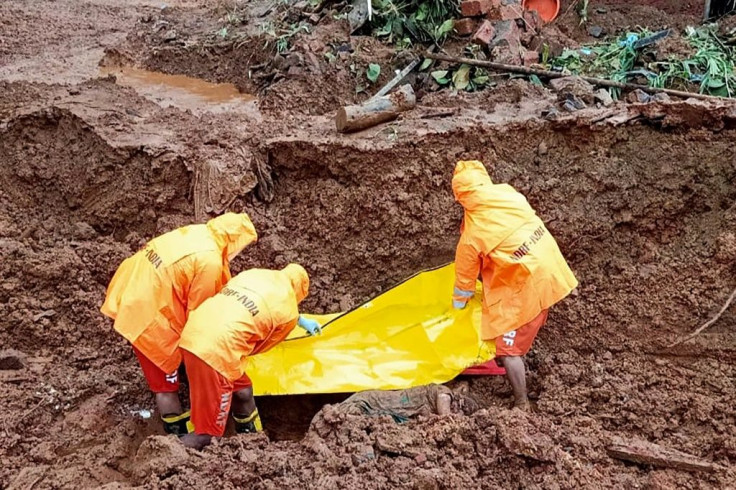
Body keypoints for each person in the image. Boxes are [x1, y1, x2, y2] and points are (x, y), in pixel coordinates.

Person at [101, 212, 258, 434]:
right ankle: (177, 443)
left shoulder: (197, 233)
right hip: (150, 318)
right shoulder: (210, 261)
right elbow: (201, 317)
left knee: (169, 373)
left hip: (131, 290)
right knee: (166, 386)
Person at [451, 160, 578, 410]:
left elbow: (463, 286)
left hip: (528, 284)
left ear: (460, 197)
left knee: (508, 351)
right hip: (552, 271)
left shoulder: (472, 236)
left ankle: (522, 403)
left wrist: (456, 312)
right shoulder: (508, 194)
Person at [178, 264, 321, 449]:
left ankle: (254, 443)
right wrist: (294, 321)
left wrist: (300, 320)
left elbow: (251, 304)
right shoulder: (289, 312)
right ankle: (169, 454)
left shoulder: (255, 275)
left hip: (194, 332)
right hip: (218, 351)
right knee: (208, 436)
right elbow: (260, 346)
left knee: (243, 391)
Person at [310, 383, 480, 435]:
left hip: (381, 409)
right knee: (342, 416)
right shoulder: (445, 393)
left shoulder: (432, 405)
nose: (460, 414)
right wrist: (458, 422)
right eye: (462, 410)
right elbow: (446, 418)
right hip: (373, 402)